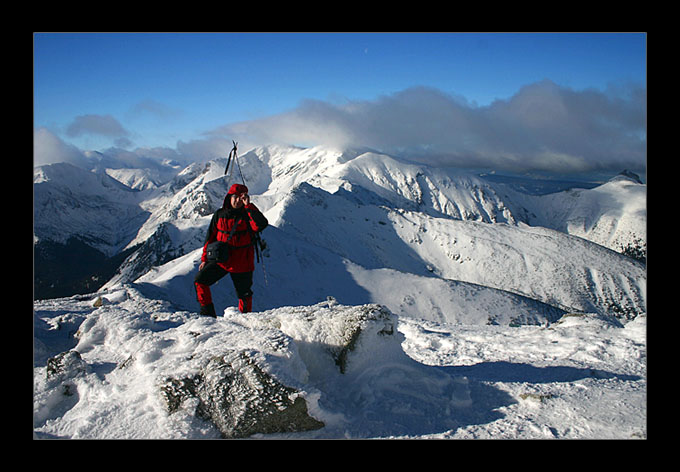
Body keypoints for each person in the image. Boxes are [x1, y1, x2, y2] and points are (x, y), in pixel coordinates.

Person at [194, 183, 268, 317]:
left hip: (242, 263)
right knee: (200, 281)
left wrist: (249, 206)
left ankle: (244, 320)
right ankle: (208, 315)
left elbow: (261, 224)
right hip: (221, 259)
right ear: (229, 197)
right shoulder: (219, 214)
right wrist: (205, 259)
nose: (238, 200)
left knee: (244, 295)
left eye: (242, 197)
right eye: (236, 197)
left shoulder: (248, 214)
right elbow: (210, 237)